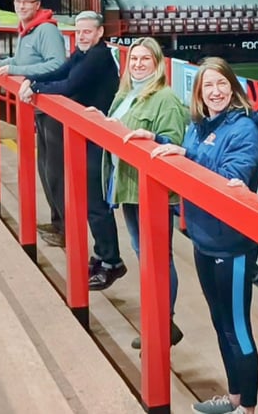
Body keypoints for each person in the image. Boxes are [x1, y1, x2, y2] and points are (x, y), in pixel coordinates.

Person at [151, 57, 258, 414]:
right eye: (207, 85)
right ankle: (233, 399)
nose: (215, 92)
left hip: (232, 245)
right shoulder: (198, 125)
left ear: (233, 87)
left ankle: (249, 408)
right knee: (220, 324)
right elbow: (191, 155)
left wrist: (188, 154)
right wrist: (156, 139)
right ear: (199, 91)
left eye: (221, 84)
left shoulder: (243, 128)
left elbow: (230, 176)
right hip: (203, 238)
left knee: (238, 329)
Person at [18, 10, 124, 291]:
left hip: (99, 138)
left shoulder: (99, 56)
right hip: (86, 136)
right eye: (79, 32)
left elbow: (70, 85)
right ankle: (103, 256)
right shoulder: (83, 53)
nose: (83, 36)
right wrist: (31, 79)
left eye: (88, 31)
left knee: (96, 203)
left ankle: (112, 261)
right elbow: (61, 71)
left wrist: (36, 87)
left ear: (100, 33)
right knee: (89, 201)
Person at [99, 37, 187, 346]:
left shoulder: (165, 98)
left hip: (150, 191)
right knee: (144, 255)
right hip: (127, 186)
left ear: (157, 64)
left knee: (158, 257)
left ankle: (164, 322)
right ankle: (160, 320)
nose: (137, 64)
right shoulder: (127, 93)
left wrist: (154, 137)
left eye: (145, 60)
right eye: (134, 59)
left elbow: (174, 143)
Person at [0, 0, 67, 246]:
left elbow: (56, 64)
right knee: (44, 167)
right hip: (39, 107)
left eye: (26, 2)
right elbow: (26, 60)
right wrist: (4, 64)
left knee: (54, 171)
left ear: (37, 4)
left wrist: (19, 70)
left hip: (53, 106)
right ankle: (57, 223)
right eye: (17, 1)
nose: (21, 6)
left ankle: (64, 227)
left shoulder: (45, 30)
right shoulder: (27, 30)